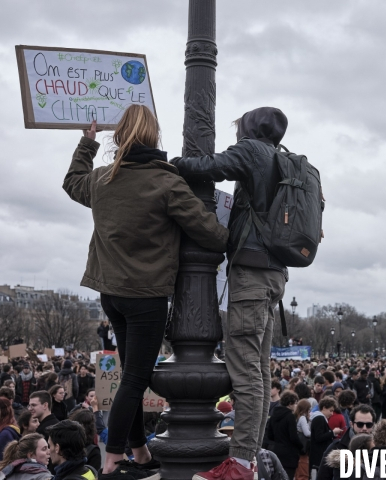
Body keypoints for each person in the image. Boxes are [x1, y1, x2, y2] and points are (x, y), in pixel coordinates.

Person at [63, 107, 228, 477]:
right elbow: (213, 235)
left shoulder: (102, 179)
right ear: (155, 138)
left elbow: (72, 182)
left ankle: (138, 452)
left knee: (129, 378)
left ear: (119, 137)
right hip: (146, 296)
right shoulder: (166, 183)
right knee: (135, 379)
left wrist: (86, 143)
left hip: (110, 293)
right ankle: (114, 458)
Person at [172, 107, 289, 480]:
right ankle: (249, 458)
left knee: (244, 369)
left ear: (251, 128)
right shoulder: (283, 160)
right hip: (274, 273)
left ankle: (239, 464)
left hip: (252, 273)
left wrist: (175, 163)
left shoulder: (254, 151)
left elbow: (208, 166)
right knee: (260, 370)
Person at [317, 405, 375, 480]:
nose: (364, 428)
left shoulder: (379, 448)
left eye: (368, 425)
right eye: (360, 424)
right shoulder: (336, 447)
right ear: (351, 424)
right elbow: (322, 477)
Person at [265, 391, 303, 480]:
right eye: (295, 403)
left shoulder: (274, 415)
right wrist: (301, 447)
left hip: (276, 451)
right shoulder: (290, 416)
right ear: (290, 404)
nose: (296, 406)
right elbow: (293, 437)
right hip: (289, 454)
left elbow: (270, 435)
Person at [310, 398, 343, 478]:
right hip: (319, 453)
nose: (332, 414)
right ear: (324, 408)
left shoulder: (319, 418)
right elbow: (319, 437)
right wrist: (333, 432)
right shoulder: (320, 418)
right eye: (330, 410)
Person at [295, 399, 311, 480]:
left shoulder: (297, 417)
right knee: (303, 470)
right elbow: (307, 433)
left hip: (297, 447)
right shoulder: (302, 418)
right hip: (303, 447)